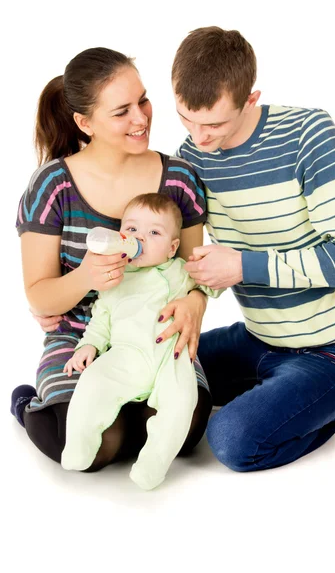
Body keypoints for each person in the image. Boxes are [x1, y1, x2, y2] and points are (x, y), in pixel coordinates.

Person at [171, 26, 335, 472]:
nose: (199, 136)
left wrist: (243, 266)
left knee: (230, 440)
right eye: (186, 118)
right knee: (150, 365)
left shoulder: (310, 134)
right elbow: (180, 254)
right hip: (259, 339)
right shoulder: (191, 154)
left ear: (251, 98)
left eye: (213, 124)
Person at [10, 47, 211, 471]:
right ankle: (30, 403)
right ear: (84, 123)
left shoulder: (178, 179)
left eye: (143, 100)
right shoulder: (53, 186)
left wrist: (195, 302)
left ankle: (126, 408)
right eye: (121, 111)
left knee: (189, 428)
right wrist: (85, 276)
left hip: (159, 337)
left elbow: (195, 274)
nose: (141, 118)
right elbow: (41, 297)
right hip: (82, 338)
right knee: (85, 443)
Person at [62, 193, 218, 489]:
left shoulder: (179, 271)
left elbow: (210, 283)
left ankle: (152, 466)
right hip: (125, 355)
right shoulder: (117, 275)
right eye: (132, 230)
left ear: (173, 248)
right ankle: (78, 447)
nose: (140, 238)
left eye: (154, 233)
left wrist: (203, 282)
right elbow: (102, 317)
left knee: (182, 403)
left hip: (170, 358)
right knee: (93, 384)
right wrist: (89, 345)